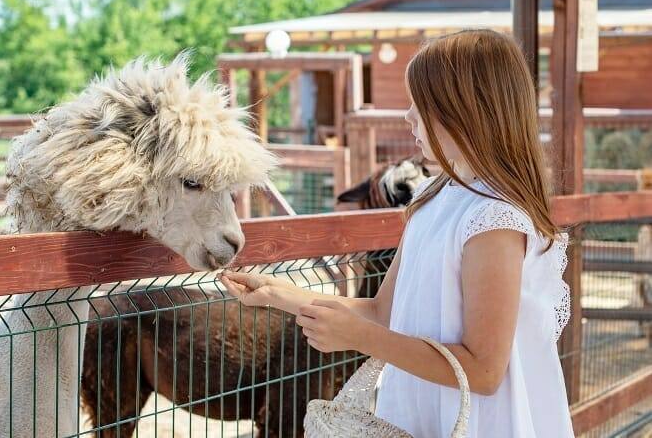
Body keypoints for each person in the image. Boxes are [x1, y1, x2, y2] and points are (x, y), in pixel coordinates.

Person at [217, 29, 574, 437]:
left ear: (466, 111)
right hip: (425, 413)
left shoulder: (495, 220)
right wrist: (278, 294)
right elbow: (384, 312)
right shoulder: (436, 199)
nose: (408, 117)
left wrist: (363, 339)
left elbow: (484, 371)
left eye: (420, 105)